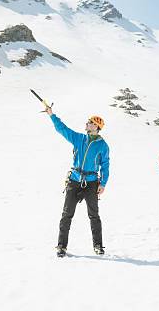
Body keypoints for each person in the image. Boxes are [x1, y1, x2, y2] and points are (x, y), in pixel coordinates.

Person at [45, 106, 110, 258]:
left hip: (92, 182)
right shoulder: (79, 138)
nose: (86, 124)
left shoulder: (103, 146)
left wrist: (103, 184)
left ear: (96, 126)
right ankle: (61, 246)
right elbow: (63, 129)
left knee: (94, 215)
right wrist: (52, 115)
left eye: (90, 122)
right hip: (74, 180)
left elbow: (105, 166)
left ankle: (98, 245)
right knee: (67, 214)